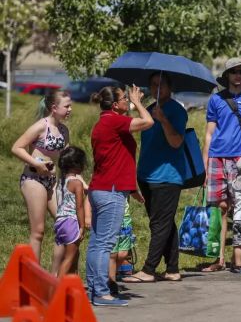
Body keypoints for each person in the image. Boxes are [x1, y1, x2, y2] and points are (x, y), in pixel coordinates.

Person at [87, 85, 153, 307]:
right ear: (115, 105)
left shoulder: (104, 122)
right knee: (105, 244)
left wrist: (132, 188)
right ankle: (102, 293)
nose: (129, 100)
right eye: (125, 98)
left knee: (97, 243)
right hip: (111, 191)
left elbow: (119, 156)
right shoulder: (112, 121)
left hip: (102, 188)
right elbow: (148, 122)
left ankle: (94, 289)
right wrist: (139, 103)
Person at [203, 58, 241, 272]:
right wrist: (204, 164)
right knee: (220, 209)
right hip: (217, 157)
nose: (238, 75)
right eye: (233, 72)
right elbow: (209, 134)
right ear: (227, 75)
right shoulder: (216, 100)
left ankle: (239, 258)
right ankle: (217, 258)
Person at [127, 71, 188, 283]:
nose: (156, 88)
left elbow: (176, 142)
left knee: (160, 224)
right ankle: (172, 269)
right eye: (153, 85)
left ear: (170, 88)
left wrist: (163, 121)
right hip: (147, 175)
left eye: (161, 84)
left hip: (168, 177)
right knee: (163, 223)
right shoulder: (150, 110)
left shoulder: (176, 111)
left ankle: (149, 269)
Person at [11, 89, 72, 274]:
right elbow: (17, 147)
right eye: (67, 106)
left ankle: (55, 276)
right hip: (33, 180)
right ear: (54, 108)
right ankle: (34, 276)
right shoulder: (40, 126)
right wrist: (36, 163)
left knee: (65, 226)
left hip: (53, 181)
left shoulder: (63, 130)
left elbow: (65, 157)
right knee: (38, 231)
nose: (70, 109)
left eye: (71, 106)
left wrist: (73, 179)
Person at [55, 146, 87, 278]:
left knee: (73, 255)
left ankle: (71, 285)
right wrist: (82, 226)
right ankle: (57, 291)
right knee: (68, 259)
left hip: (60, 222)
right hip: (71, 222)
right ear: (76, 165)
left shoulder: (61, 181)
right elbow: (79, 207)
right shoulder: (77, 183)